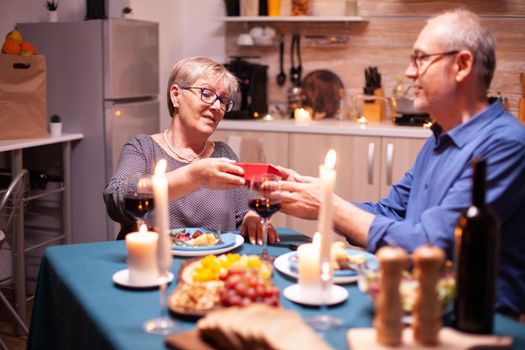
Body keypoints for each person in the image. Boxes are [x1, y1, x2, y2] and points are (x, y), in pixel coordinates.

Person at [278, 9, 525, 318]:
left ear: (462, 65)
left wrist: (330, 206)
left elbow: (432, 246)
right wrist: (319, 203)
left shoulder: (505, 145)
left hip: (475, 322)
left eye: (420, 59)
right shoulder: (439, 137)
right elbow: (391, 211)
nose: (409, 72)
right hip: (420, 305)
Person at [104, 56, 278, 244]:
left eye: (223, 100)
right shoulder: (142, 148)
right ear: (176, 95)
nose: (217, 106)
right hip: (157, 266)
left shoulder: (224, 154)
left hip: (212, 267)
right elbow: (116, 200)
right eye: (207, 93)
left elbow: (242, 214)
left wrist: (251, 218)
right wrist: (193, 177)